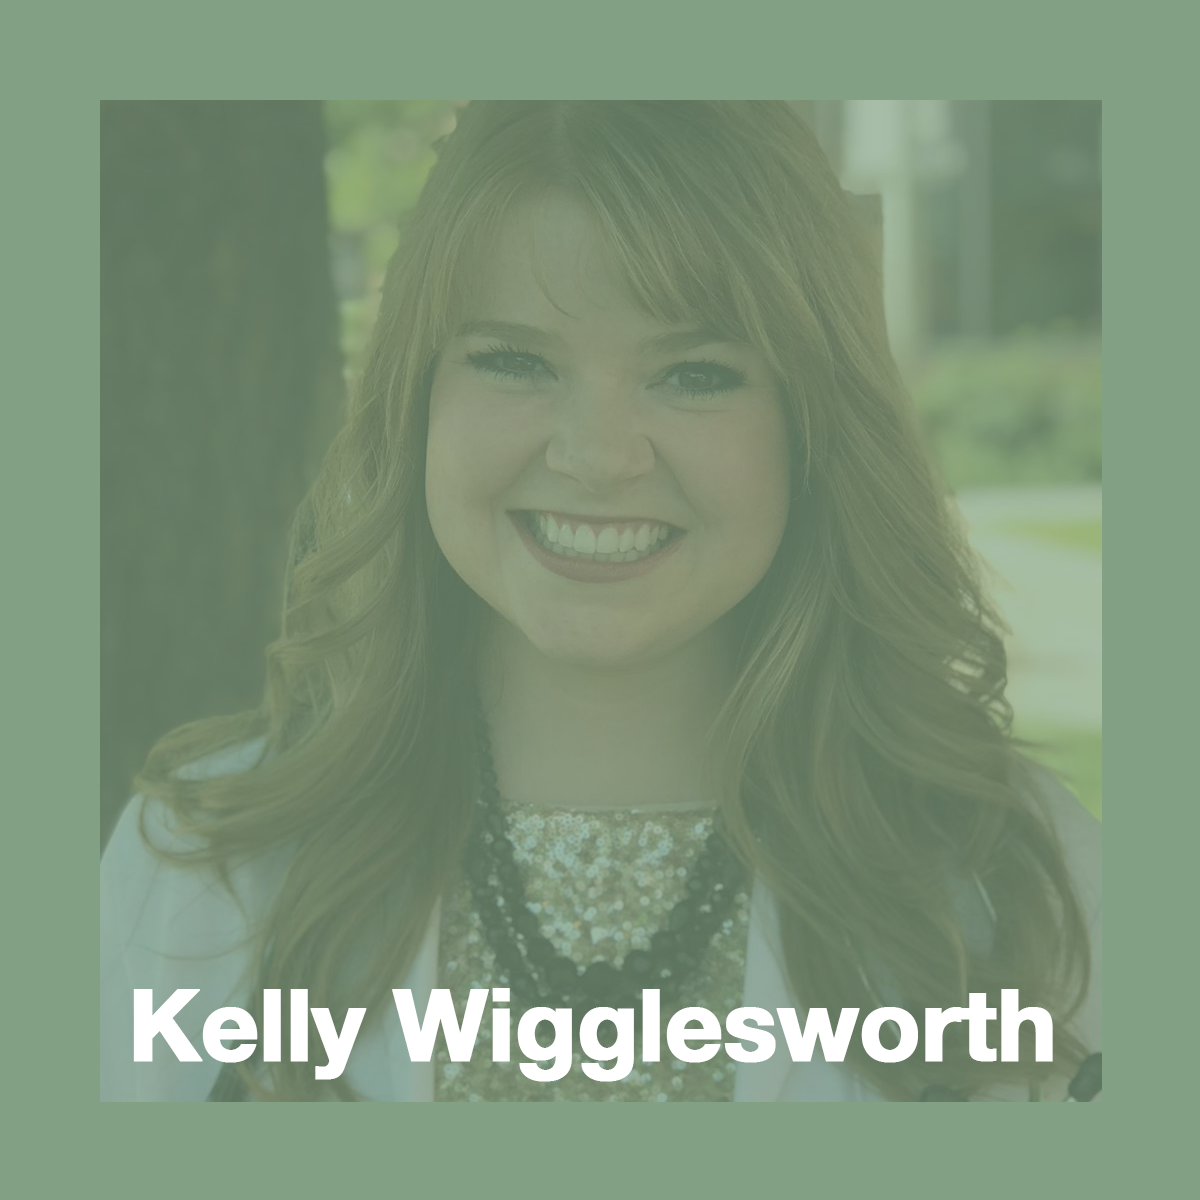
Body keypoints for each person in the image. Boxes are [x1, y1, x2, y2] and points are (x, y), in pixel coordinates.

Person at [100, 101, 1100, 1102]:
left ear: (813, 431)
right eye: (515, 361)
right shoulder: (200, 868)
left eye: (696, 373)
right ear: (417, 402)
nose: (596, 456)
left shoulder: (1018, 886)